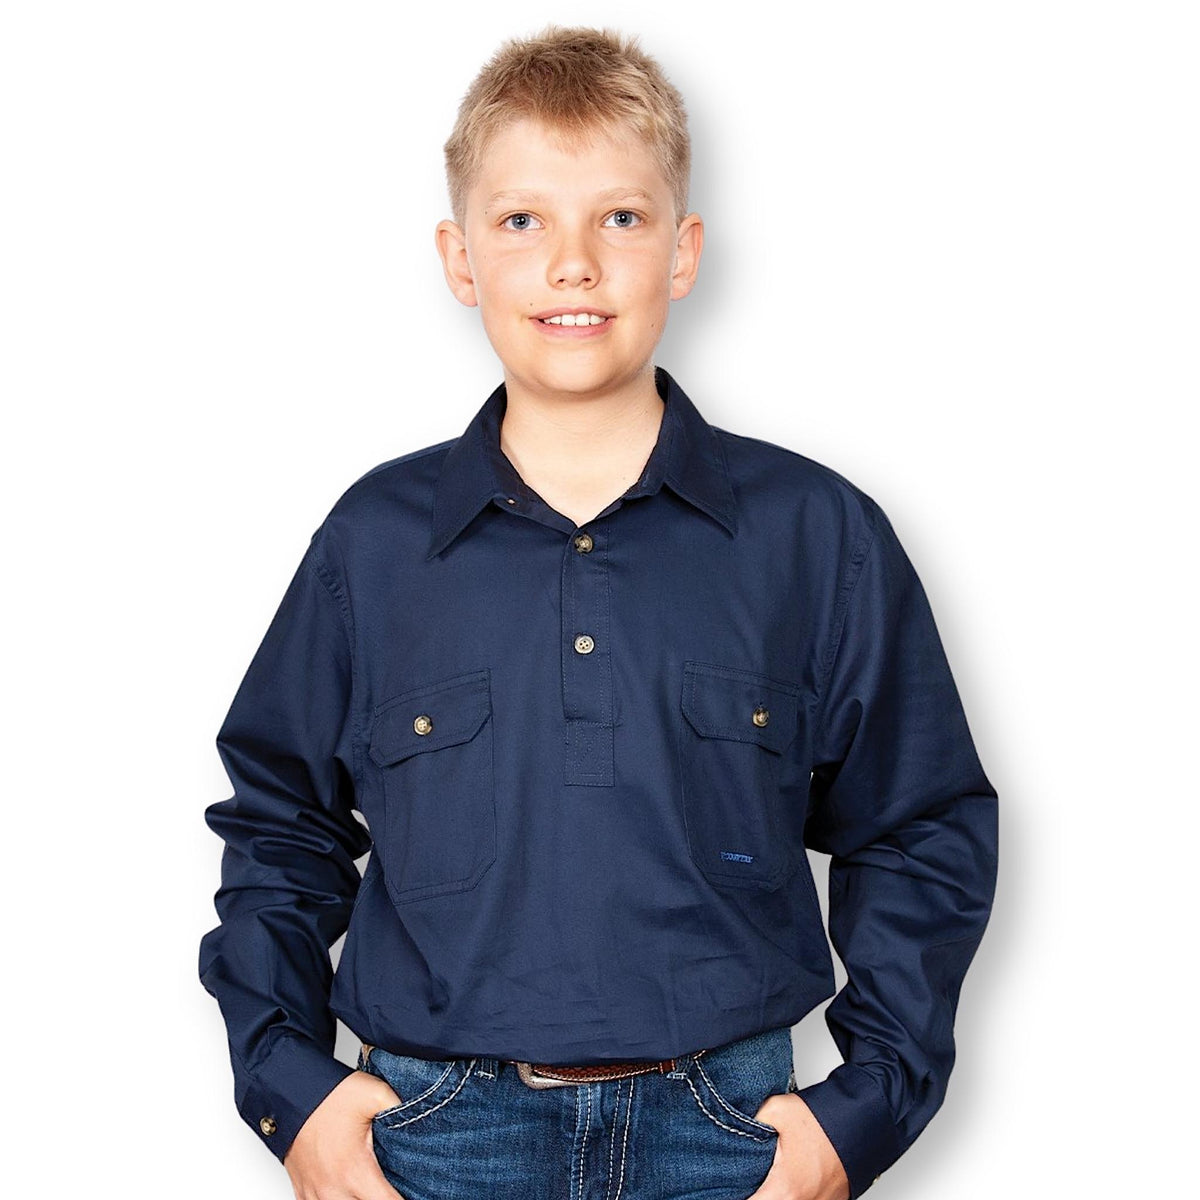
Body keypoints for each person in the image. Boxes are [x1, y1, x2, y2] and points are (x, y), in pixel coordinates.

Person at [198, 25, 998, 1200]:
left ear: (682, 252)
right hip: (434, 1135)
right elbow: (280, 826)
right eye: (522, 220)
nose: (573, 263)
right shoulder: (372, 546)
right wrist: (288, 1089)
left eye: (618, 218)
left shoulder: (815, 537)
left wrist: (864, 1109)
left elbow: (921, 824)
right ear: (460, 258)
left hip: (729, 1137)